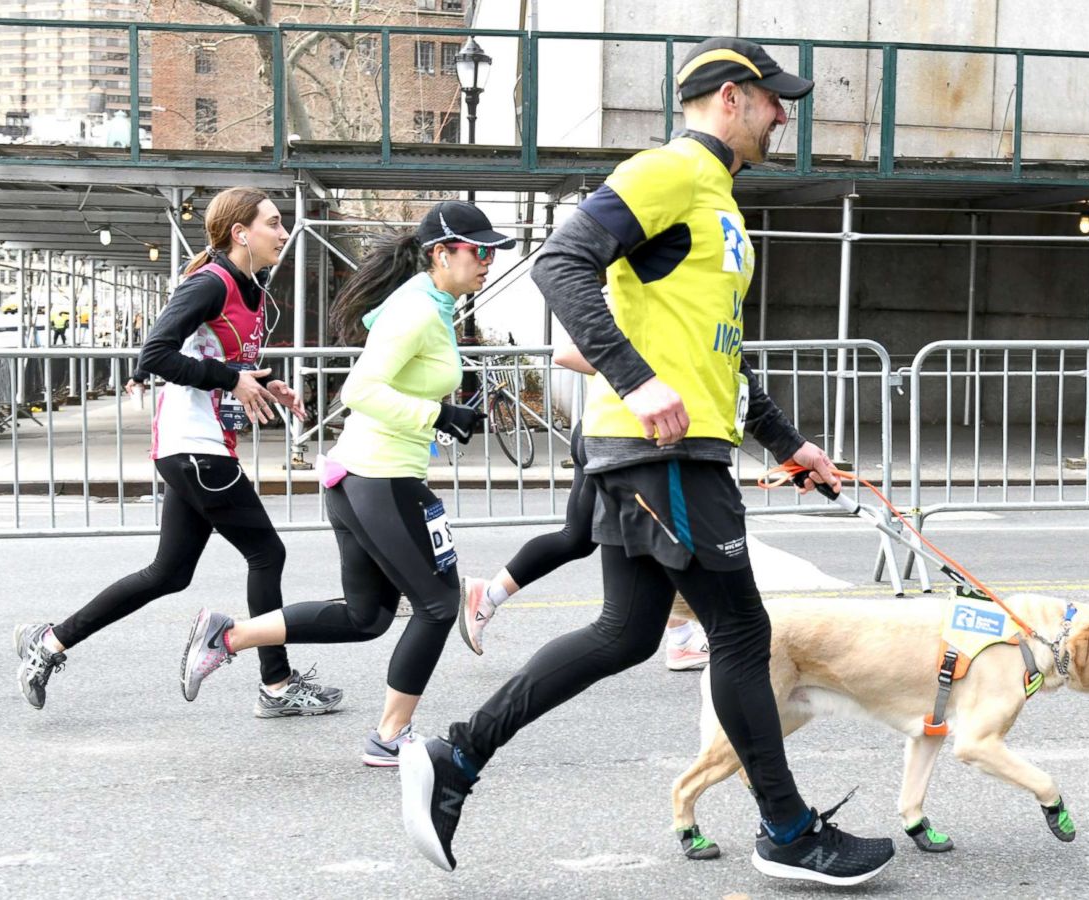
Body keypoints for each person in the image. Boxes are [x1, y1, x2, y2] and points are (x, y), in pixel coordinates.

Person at [400, 38, 896, 886]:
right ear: (732, 99)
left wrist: (788, 443)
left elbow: (720, 355)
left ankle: (456, 756)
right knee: (742, 631)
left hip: (678, 445)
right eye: (775, 100)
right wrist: (636, 380)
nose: (785, 115)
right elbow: (562, 264)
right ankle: (787, 830)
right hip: (660, 450)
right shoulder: (670, 171)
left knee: (628, 631)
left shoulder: (721, 203)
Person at [180, 201, 515, 767]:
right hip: (380, 476)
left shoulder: (430, 303)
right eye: (479, 251)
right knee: (435, 606)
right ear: (442, 254)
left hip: (363, 476)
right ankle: (390, 736)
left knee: (368, 617)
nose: (488, 262)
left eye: (490, 252)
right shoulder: (414, 311)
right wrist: (439, 416)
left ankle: (228, 635)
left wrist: (439, 410)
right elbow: (358, 391)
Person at [12, 187, 340, 717]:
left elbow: (220, 360)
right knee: (267, 553)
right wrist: (231, 379)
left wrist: (266, 383)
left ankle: (48, 643)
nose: (283, 233)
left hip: (200, 447)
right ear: (240, 233)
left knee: (169, 572)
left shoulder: (248, 288)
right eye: (274, 223)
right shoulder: (208, 284)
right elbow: (156, 355)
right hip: (195, 448)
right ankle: (276, 687)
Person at [456, 343, 711, 671]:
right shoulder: (625, 297)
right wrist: (643, 380)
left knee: (583, 538)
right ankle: (682, 640)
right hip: (618, 435)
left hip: (610, 432)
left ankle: (489, 594)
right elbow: (565, 353)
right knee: (658, 536)